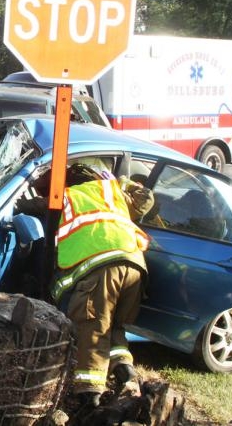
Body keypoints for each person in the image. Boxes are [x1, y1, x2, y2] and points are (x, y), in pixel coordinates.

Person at [48, 163, 150, 411]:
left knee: (92, 331)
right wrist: (124, 182)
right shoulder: (112, 192)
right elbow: (146, 200)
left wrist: (22, 204)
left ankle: (89, 400)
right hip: (134, 266)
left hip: (101, 270)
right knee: (114, 327)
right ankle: (126, 376)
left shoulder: (67, 197)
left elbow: (38, 208)